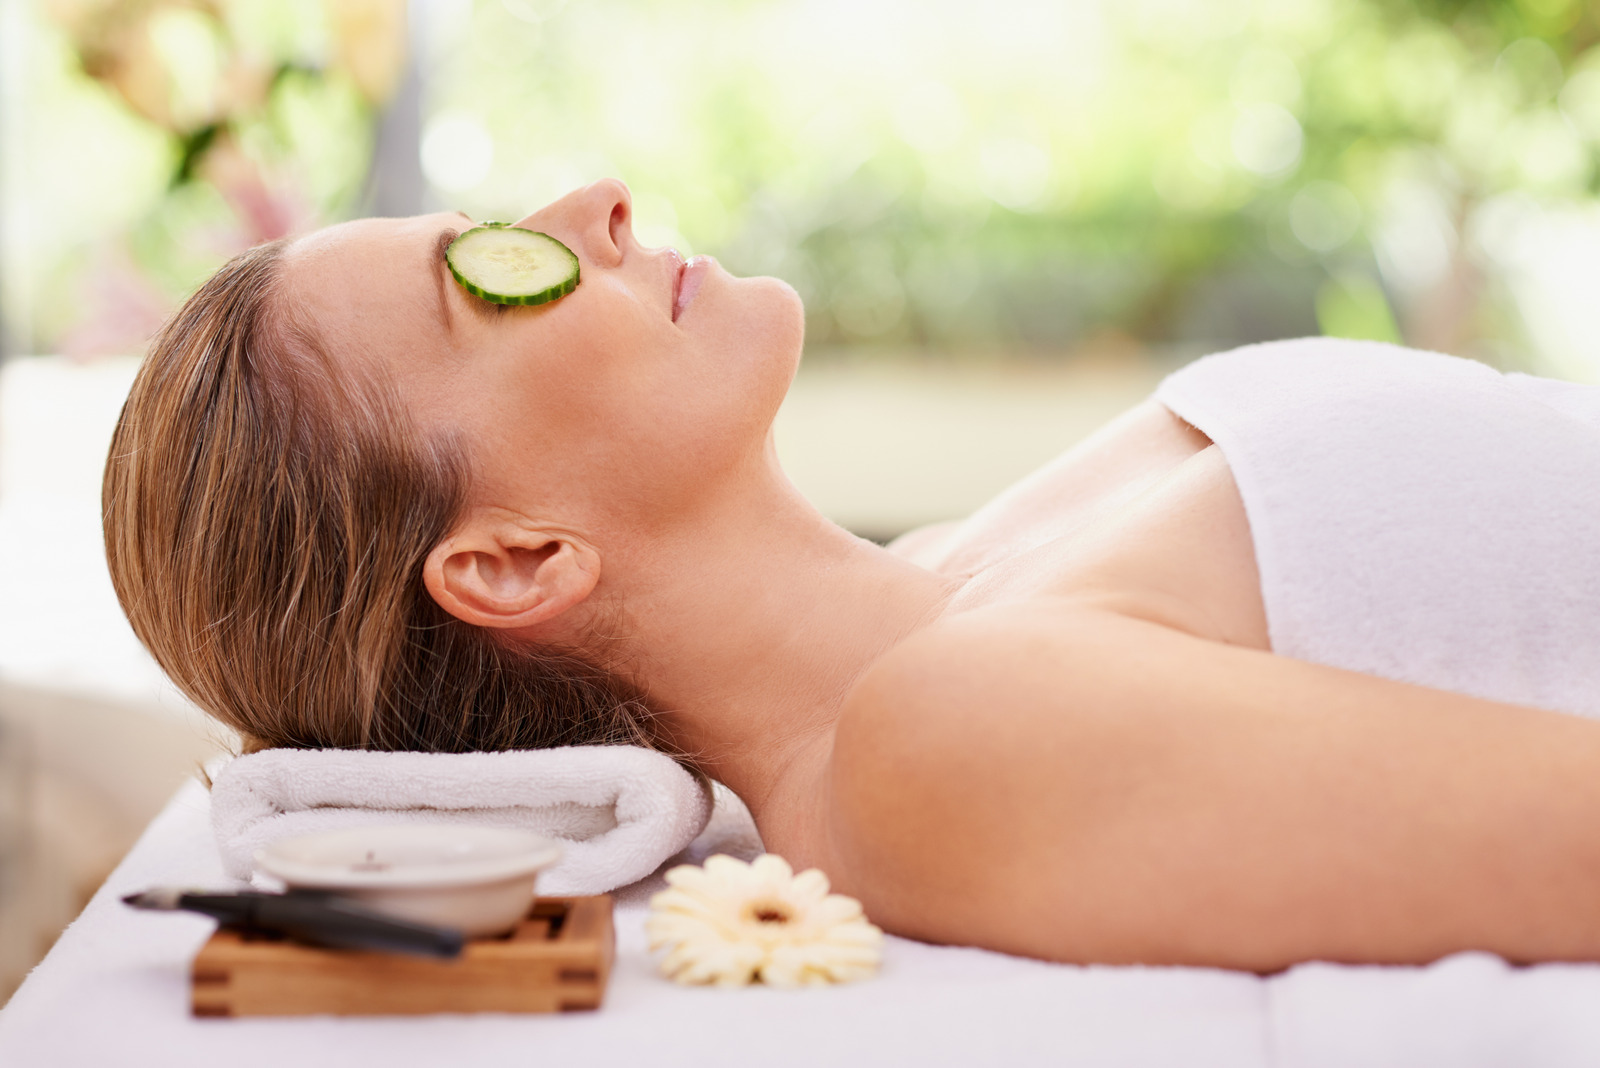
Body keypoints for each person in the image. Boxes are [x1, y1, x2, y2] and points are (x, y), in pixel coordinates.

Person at [103, 179, 1600, 973]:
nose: (598, 204)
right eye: (491, 266)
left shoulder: (965, 572)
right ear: (513, 563)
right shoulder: (941, 741)